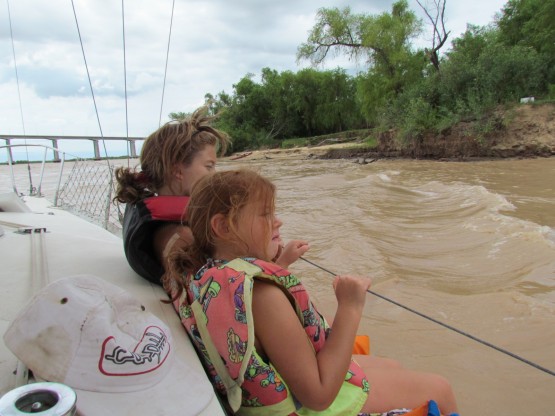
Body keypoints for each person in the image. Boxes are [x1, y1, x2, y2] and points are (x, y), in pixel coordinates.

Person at [165, 169, 459, 416]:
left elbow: (248, 319)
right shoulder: (264, 297)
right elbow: (318, 396)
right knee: (440, 388)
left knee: (391, 366)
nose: (277, 221)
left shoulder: (206, 272)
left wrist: (279, 263)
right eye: (266, 214)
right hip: (309, 406)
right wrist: (350, 306)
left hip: (274, 396)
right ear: (222, 227)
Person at [114, 107, 308, 285]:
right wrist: (282, 265)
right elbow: (220, 298)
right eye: (209, 166)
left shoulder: (167, 224)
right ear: (178, 171)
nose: (214, 174)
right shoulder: (182, 238)